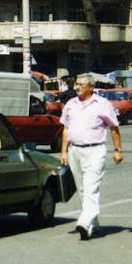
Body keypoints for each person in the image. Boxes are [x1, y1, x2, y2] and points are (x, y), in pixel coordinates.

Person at [60, 73, 124, 240]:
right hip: (75, 151)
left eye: (80, 84)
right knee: (82, 189)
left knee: (91, 187)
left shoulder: (102, 104)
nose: (76, 87)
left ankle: (84, 221)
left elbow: (113, 128)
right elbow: (66, 129)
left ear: (91, 87)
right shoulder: (71, 104)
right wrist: (64, 152)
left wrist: (117, 150)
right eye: (76, 84)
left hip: (95, 150)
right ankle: (93, 224)